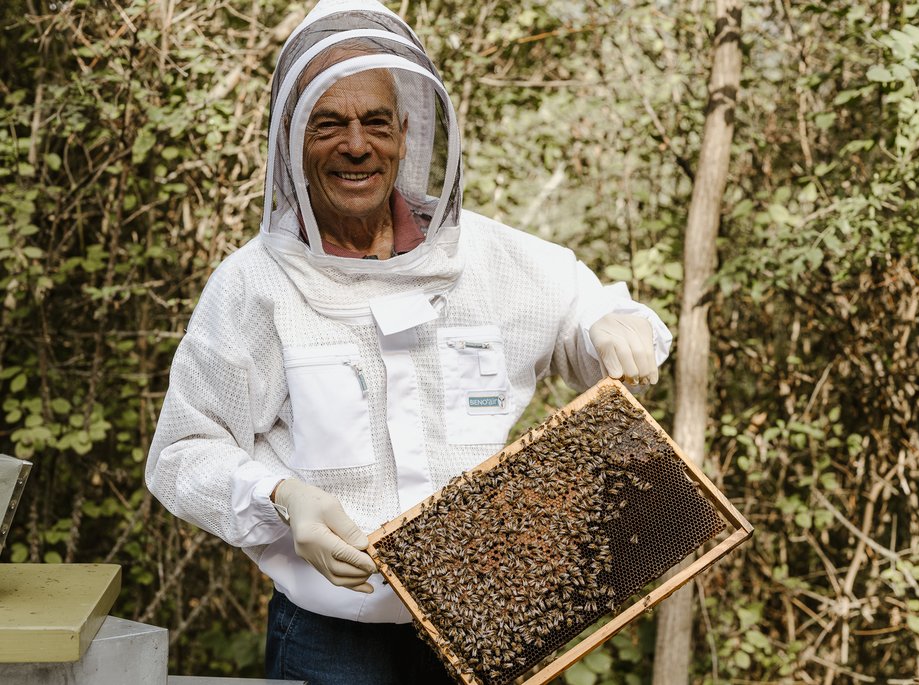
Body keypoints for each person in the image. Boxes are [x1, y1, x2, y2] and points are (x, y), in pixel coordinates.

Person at [145, 0, 673, 682]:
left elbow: (587, 307)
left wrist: (613, 324)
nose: (357, 145)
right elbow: (182, 452)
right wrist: (278, 494)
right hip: (333, 640)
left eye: (376, 122)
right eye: (328, 124)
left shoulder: (486, 258)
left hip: (488, 622)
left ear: (407, 132)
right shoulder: (255, 286)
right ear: (292, 139)